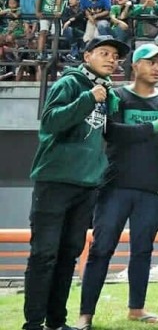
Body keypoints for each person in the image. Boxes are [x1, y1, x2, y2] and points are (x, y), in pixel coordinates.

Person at [22, 35, 130, 330]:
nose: (111, 59)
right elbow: (50, 122)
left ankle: (56, 321)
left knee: (69, 254)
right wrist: (88, 98)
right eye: (104, 53)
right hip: (55, 180)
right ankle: (33, 324)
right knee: (44, 254)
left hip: (87, 184)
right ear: (87, 57)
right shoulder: (69, 83)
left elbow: (104, 132)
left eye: (115, 56)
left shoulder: (107, 91)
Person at [77, 44, 158, 329]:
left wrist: (136, 133)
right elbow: (112, 132)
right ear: (134, 65)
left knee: (143, 249)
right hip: (115, 185)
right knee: (101, 249)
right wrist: (154, 127)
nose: (157, 67)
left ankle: (137, 308)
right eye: (151, 62)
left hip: (153, 187)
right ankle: (85, 314)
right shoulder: (117, 96)